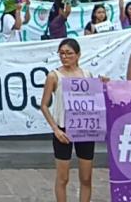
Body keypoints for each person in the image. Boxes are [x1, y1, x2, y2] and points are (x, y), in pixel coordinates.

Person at [39, 39, 98, 202]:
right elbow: (44, 105)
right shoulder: (54, 76)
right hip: (63, 129)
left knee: (86, 177)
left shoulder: (87, 75)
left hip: (85, 129)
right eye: (62, 53)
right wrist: (55, 129)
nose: (65, 57)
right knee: (63, 177)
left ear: (78, 55)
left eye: (69, 53)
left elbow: (94, 100)